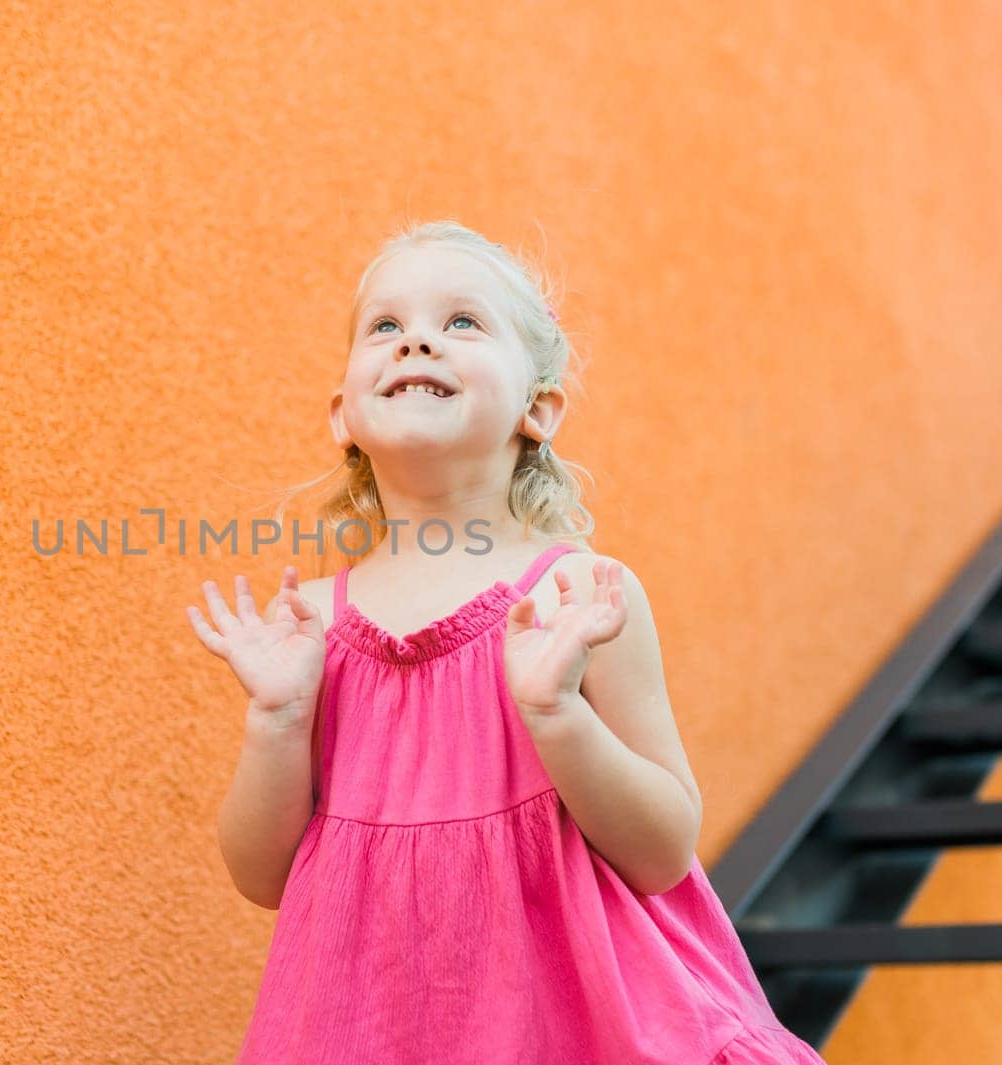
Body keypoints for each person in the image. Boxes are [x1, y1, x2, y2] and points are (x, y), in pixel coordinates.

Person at [186, 219, 828, 1063]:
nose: (417, 338)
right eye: (385, 325)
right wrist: (275, 719)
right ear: (343, 414)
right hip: (372, 1029)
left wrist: (557, 714)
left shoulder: (579, 597)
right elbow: (263, 875)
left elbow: (664, 847)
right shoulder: (307, 625)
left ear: (539, 407)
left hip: (575, 1028)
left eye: (462, 322)